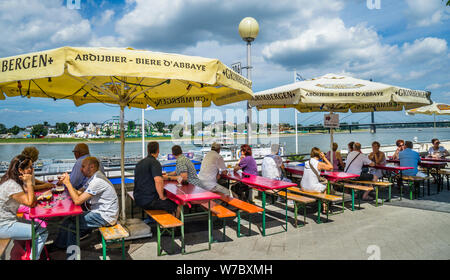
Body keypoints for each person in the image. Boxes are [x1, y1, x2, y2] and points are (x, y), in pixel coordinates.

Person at [52, 157, 119, 251]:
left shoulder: (97, 181)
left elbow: (78, 201)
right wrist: (66, 183)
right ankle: (60, 246)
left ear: (91, 167)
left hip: (106, 216)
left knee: (73, 227)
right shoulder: (93, 178)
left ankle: (72, 256)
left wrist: (68, 183)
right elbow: (79, 193)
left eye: (83, 166)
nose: (81, 169)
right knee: (67, 221)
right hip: (99, 213)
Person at [0, 155, 48, 259]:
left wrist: (28, 184)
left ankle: (30, 253)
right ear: (20, 170)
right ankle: (33, 258)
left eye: (32, 166)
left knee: (39, 225)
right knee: (42, 231)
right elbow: (31, 203)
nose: (32, 170)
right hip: (4, 225)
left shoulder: (11, 180)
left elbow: (32, 201)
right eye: (29, 167)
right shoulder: (12, 185)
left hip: (8, 221)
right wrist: (29, 182)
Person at [134, 142, 180, 219]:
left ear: (147, 150)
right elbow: (158, 180)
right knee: (176, 206)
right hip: (148, 201)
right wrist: (162, 197)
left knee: (163, 198)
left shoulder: (139, 163)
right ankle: (172, 228)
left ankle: (153, 220)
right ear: (158, 150)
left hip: (138, 198)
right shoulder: (155, 163)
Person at [300, 148, 333, 212]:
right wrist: (324, 158)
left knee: (319, 184)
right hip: (311, 188)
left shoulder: (306, 162)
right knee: (325, 187)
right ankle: (324, 208)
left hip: (303, 187)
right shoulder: (318, 164)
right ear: (319, 155)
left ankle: (319, 202)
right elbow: (331, 167)